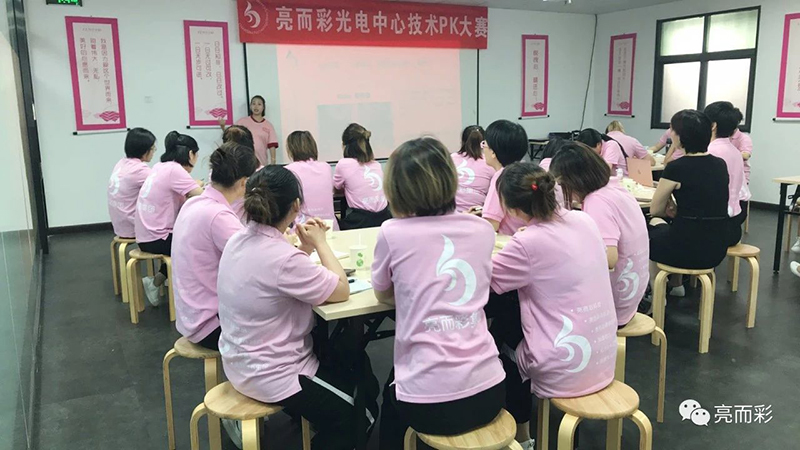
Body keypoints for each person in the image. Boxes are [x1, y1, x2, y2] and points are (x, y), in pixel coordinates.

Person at [216, 166, 378, 450]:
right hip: (276, 374)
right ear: (296, 206)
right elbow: (341, 289)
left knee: (355, 363)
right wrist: (320, 243)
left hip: (239, 361)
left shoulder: (238, 240)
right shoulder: (282, 258)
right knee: (361, 414)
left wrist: (304, 248)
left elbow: (279, 277)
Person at [374, 138, 506, 450]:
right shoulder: (482, 230)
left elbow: (382, 295)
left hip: (426, 402)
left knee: (389, 405)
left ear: (396, 189)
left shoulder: (392, 232)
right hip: (491, 390)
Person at [490, 162, 618, 447]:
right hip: (602, 352)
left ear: (511, 209)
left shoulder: (527, 243)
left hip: (565, 365)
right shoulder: (583, 221)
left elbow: (485, 281)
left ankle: (521, 437)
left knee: (500, 339)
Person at [550, 143, 649, 326]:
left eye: (563, 185)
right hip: (632, 296)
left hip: (613, 306)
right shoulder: (616, 187)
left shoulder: (597, 200)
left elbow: (609, 259)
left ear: (574, 181)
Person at [171, 143, 258, 350]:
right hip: (211, 325)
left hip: (190, 317)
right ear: (244, 182)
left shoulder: (194, 203)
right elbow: (256, 264)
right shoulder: (218, 215)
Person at [648, 109, 740, 295]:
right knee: (677, 228)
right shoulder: (719, 165)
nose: (670, 133)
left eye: (672, 129)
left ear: (681, 136)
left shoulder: (676, 168)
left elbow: (655, 209)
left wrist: (672, 209)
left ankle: (658, 296)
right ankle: (676, 285)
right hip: (716, 249)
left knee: (653, 226)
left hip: (685, 248)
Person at [134, 131, 204, 306]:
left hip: (145, 236)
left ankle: (157, 281)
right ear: (190, 154)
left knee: (186, 239)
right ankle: (193, 295)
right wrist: (198, 186)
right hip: (157, 238)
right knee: (198, 244)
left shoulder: (161, 166)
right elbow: (203, 196)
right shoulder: (175, 170)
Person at [473, 120, 530, 235]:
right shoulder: (527, 171)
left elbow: (491, 224)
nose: (483, 149)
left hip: (510, 239)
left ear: (493, 152)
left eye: (484, 144)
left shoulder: (501, 178)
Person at [333, 123, 391, 229]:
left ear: (344, 146)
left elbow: (336, 189)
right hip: (384, 218)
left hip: (360, 221)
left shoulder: (343, 164)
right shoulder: (376, 165)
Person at [108, 128, 155, 239]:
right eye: (152, 148)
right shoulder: (140, 169)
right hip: (133, 226)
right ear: (144, 150)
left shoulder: (121, 163)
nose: (153, 152)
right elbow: (162, 185)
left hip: (119, 225)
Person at [285, 131, 338, 230]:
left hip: (304, 230)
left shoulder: (289, 170)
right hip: (330, 227)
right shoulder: (326, 167)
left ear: (291, 150)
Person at [704, 101, 746, 223]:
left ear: (713, 126)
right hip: (735, 214)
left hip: (714, 218)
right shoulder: (736, 152)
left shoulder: (709, 151)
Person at [219, 95, 278, 166]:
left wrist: (273, 162)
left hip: (262, 163)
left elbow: (272, 145)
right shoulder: (242, 122)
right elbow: (231, 135)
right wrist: (223, 126)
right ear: (250, 106)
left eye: (259, 104)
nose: (256, 106)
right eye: (253, 104)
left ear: (263, 107)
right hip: (244, 163)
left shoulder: (268, 125)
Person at [451, 125, 496, 212]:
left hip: (451, 211)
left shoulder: (451, 158)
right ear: (484, 143)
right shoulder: (490, 162)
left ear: (462, 141)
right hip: (478, 212)